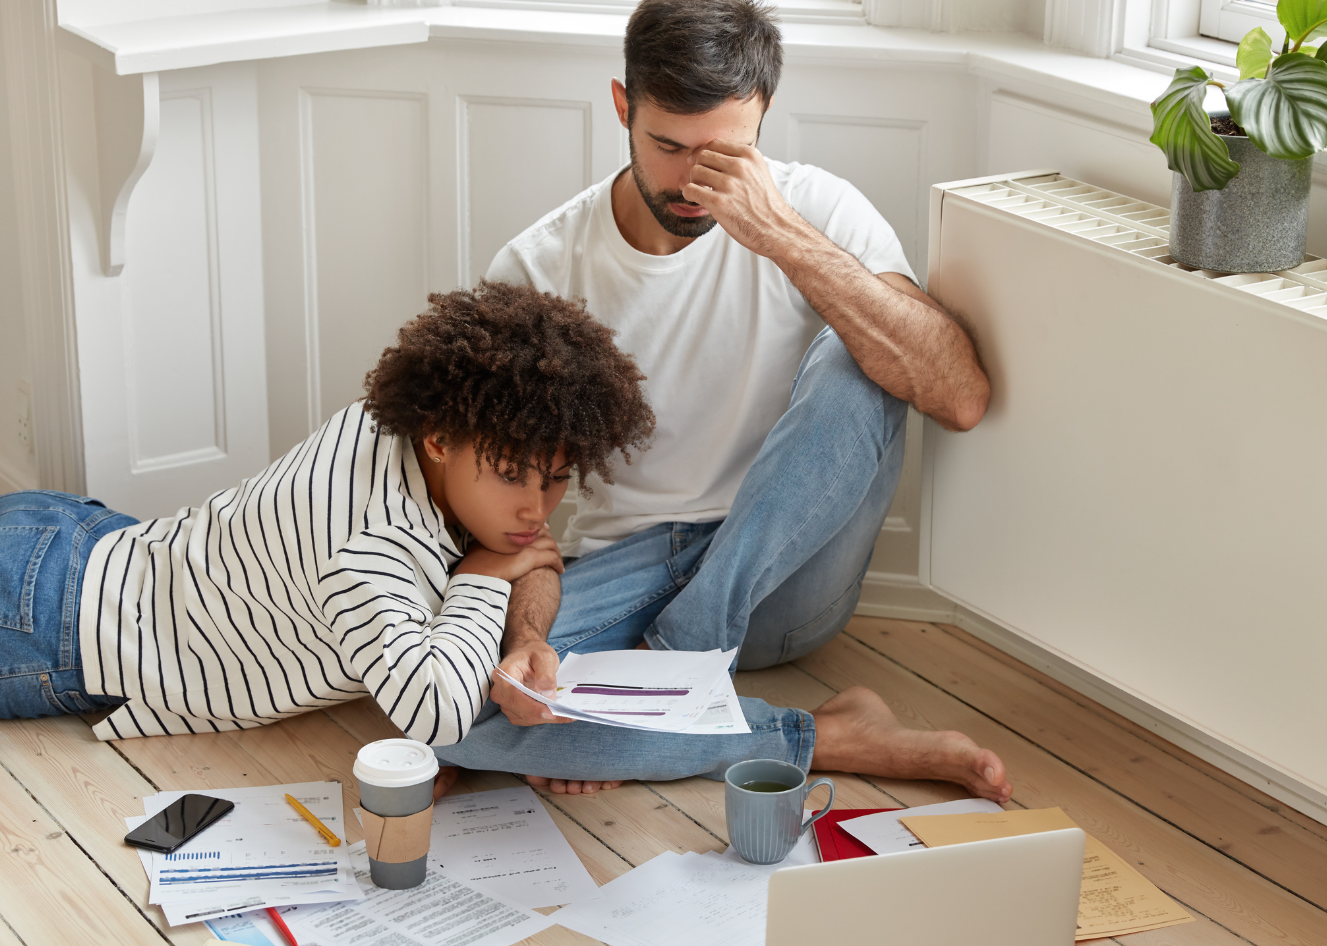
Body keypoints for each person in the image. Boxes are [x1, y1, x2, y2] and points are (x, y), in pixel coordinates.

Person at [433, 0, 1013, 804]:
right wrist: (526, 640)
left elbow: (959, 396)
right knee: (451, 713)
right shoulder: (539, 268)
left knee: (867, 347)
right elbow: (496, 518)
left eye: (725, 153)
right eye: (667, 146)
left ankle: (680, 667)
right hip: (633, 572)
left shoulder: (820, 211)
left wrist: (780, 236)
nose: (692, 181)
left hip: (785, 578)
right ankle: (832, 734)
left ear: (765, 116)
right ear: (622, 106)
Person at [0, 283, 654, 775]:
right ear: (441, 440)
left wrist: (509, 578)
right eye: (513, 477)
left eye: (555, 479)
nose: (535, 510)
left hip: (58, 531)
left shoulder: (384, 423)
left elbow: (535, 551)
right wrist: (480, 578)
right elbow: (436, 713)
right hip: (29, 625)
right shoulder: (362, 550)